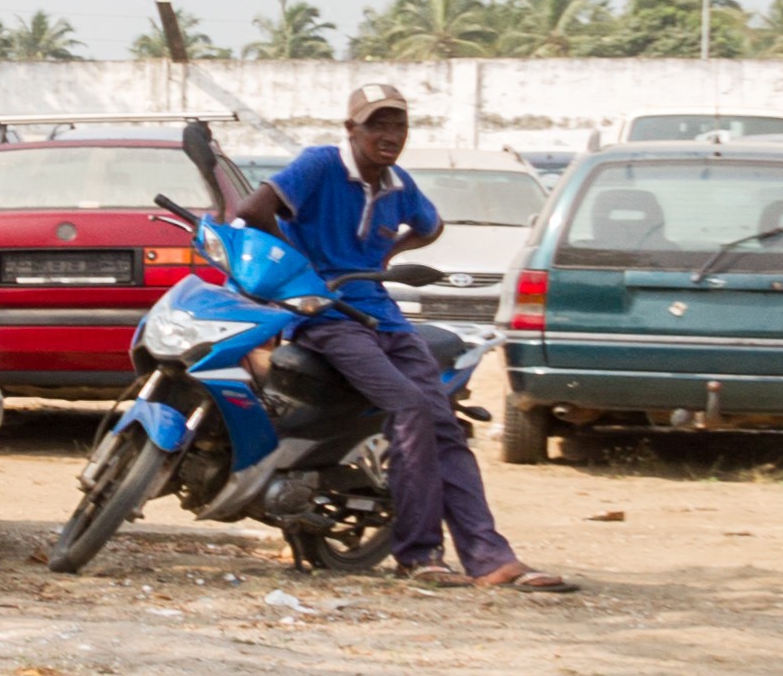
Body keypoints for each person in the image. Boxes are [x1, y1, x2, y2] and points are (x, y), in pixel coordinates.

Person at [232, 83, 571, 591]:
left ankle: (490, 558)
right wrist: (301, 270)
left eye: (399, 125)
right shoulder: (320, 165)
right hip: (326, 317)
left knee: (444, 424)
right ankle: (418, 554)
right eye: (378, 125)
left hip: (383, 316)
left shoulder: (398, 184)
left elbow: (430, 226)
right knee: (410, 406)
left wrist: (387, 255)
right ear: (352, 129)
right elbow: (253, 210)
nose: (390, 135)